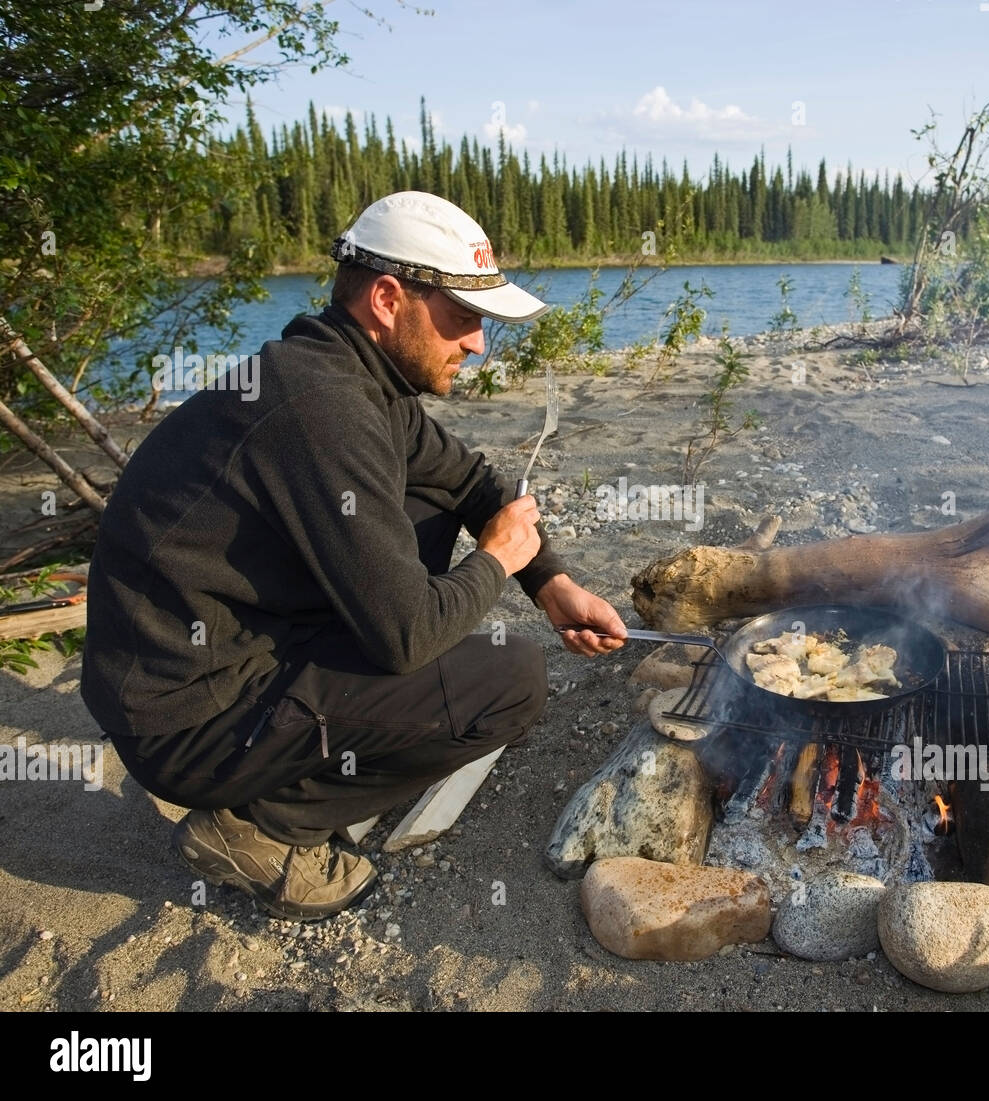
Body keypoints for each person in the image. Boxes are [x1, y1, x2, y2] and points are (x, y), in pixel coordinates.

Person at [81, 191, 627, 921]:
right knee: (512, 678)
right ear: (388, 297)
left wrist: (549, 579)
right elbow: (406, 636)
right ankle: (264, 828)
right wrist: (495, 561)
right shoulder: (323, 408)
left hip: (219, 648)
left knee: (430, 503)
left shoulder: (357, 376)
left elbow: (467, 480)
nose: (477, 345)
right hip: (186, 719)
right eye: (464, 319)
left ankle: (299, 765)